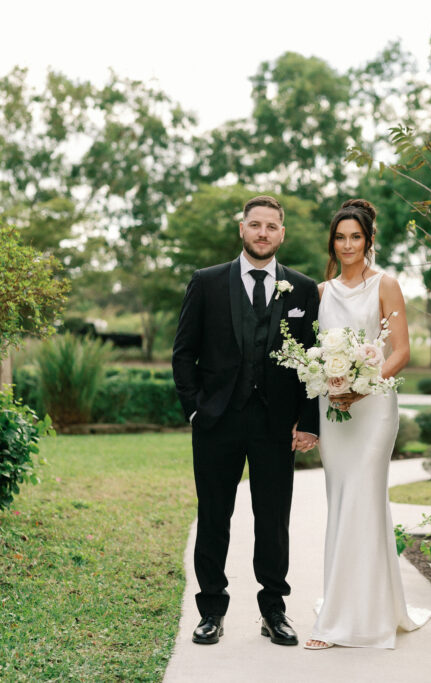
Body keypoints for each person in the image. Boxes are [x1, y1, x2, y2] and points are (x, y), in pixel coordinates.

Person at [171, 195, 320, 647]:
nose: (262, 233)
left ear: (281, 234)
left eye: (270, 226)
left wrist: (308, 420)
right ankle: (211, 610)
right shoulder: (208, 282)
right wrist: (196, 407)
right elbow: (183, 352)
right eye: (254, 225)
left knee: (273, 520)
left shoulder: (303, 288)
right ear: (241, 229)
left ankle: (273, 609)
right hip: (217, 422)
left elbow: (312, 361)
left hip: (276, 425)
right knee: (214, 516)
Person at [304, 198, 431, 650]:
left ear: (368, 240)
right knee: (343, 504)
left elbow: (400, 351)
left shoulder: (387, 285)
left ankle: (352, 622)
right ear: (332, 242)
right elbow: (314, 354)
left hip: (374, 408)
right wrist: (329, 381)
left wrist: (362, 386)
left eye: (355, 236)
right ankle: (352, 608)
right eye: (340, 237)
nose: (347, 245)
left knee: (363, 497)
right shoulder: (321, 293)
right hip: (334, 413)